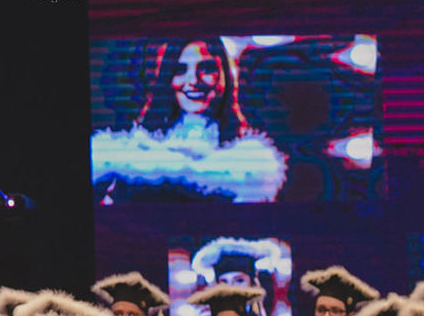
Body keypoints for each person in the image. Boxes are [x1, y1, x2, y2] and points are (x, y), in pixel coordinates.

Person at [91, 37, 287, 203]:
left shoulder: (250, 168)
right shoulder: (128, 156)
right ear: (168, 79)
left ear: (225, 77)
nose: (193, 80)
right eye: (180, 70)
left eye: (206, 68)